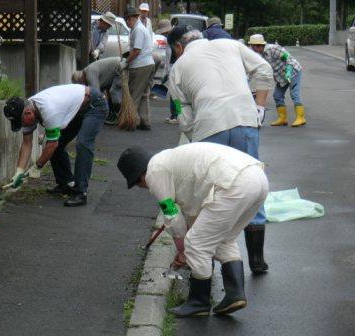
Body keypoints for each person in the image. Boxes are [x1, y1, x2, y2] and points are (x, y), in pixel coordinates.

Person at [117, 143, 269, 316]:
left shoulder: (154, 172)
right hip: (257, 178)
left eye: (138, 185)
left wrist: (183, 250)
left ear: (139, 177)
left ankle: (199, 302)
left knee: (196, 245)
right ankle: (235, 295)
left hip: (234, 183)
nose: (146, 188)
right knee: (224, 239)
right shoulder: (171, 161)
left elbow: (172, 215)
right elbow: (194, 214)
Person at [167, 26, 273, 273]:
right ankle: (257, 260)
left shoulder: (178, 68)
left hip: (209, 127)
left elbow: (182, 113)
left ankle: (216, 262)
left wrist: (195, 138)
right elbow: (264, 70)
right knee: (251, 179)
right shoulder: (232, 45)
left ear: (178, 47)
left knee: (213, 193)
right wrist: (259, 106)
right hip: (245, 120)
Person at [3, 84, 109, 207]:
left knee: (83, 143)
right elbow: (27, 143)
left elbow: (52, 145)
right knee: (55, 143)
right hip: (76, 109)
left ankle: (80, 192)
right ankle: (65, 184)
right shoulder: (29, 109)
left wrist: (37, 166)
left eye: (20, 122)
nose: (22, 125)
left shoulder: (49, 110)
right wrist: (19, 171)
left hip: (94, 104)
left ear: (28, 113)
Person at [248, 34, 306, 127]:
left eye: (252, 46)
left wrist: (288, 72)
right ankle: (282, 118)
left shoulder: (273, 49)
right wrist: (246, 80)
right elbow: (254, 69)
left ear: (258, 46)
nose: (251, 49)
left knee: (294, 93)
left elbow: (289, 59)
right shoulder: (261, 55)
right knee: (277, 95)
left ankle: (300, 118)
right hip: (281, 77)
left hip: (293, 72)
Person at [123, 7, 155, 130]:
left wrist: (126, 61)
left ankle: (131, 122)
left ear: (132, 18)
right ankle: (144, 121)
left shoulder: (138, 30)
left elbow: (136, 50)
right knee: (143, 94)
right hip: (148, 64)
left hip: (140, 65)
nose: (126, 22)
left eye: (127, 20)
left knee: (134, 95)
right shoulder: (139, 28)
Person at [71, 57, 127, 125]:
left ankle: (121, 115)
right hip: (116, 67)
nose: (84, 85)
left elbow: (96, 94)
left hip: (120, 66)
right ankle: (114, 114)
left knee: (114, 94)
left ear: (81, 79)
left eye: (81, 83)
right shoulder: (88, 72)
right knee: (109, 94)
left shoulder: (90, 74)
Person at [155, 19, 177, 124]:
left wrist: (169, 72)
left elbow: (173, 57)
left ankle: (177, 116)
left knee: (176, 95)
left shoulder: (174, 38)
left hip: (176, 70)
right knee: (175, 95)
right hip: (172, 70)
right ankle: (175, 115)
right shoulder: (170, 37)